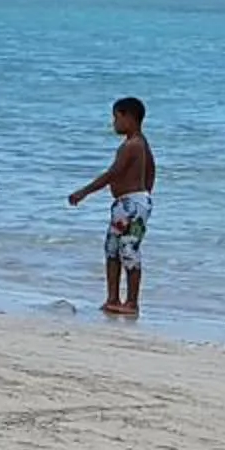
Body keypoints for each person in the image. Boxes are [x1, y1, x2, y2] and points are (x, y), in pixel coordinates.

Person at [66, 94, 155, 318]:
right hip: (124, 204)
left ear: (129, 118)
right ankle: (113, 298)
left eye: (116, 118)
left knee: (129, 251)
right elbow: (153, 170)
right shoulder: (139, 143)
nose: (114, 123)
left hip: (132, 204)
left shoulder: (133, 146)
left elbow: (113, 173)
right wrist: (145, 194)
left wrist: (84, 191)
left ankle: (132, 302)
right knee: (112, 250)